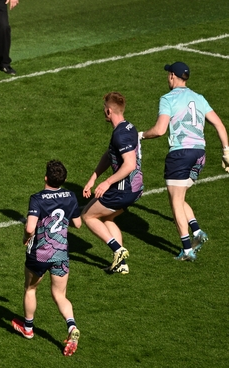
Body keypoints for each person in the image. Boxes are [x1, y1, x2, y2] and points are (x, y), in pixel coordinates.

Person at [139, 62, 229, 261]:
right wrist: (226, 152)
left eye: (168, 74)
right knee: (179, 197)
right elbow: (219, 124)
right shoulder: (199, 98)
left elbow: (160, 130)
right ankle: (196, 231)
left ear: (172, 75)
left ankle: (187, 250)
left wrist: (141, 135)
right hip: (200, 154)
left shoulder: (168, 98)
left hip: (180, 154)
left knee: (175, 201)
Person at [11, 160, 82, 357]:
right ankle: (72, 327)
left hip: (40, 254)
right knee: (60, 295)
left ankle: (28, 328)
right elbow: (78, 224)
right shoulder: (70, 196)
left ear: (45, 177)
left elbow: (29, 228)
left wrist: (25, 238)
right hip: (61, 253)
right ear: (63, 180)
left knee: (30, 288)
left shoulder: (37, 198)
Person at [81, 92, 143, 274]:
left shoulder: (120, 135)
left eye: (104, 109)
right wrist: (94, 177)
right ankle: (120, 264)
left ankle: (117, 249)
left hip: (124, 189)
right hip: (136, 188)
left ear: (109, 111)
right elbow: (110, 155)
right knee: (107, 217)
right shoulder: (128, 127)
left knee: (88, 215)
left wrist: (106, 182)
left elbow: (129, 164)